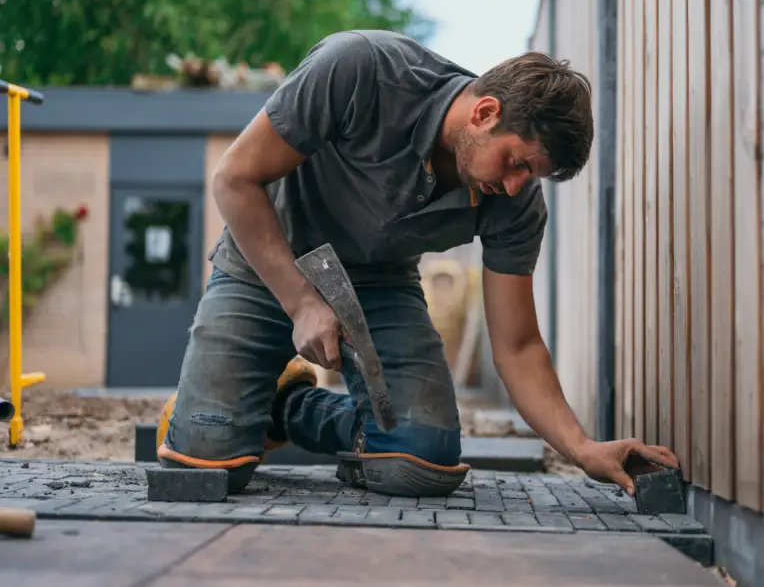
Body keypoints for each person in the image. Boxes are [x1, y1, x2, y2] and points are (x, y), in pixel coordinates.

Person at [155, 29, 680, 496]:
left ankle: (286, 407)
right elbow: (234, 179)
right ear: (485, 112)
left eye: (532, 177)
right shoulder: (359, 69)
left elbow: (518, 346)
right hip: (267, 266)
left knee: (421, 458)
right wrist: (301, 303)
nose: (516, 185)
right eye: (517, 163)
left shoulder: (514, 204)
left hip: (380, 284)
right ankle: (219, 413)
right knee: (203, 465)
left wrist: (582, 448)